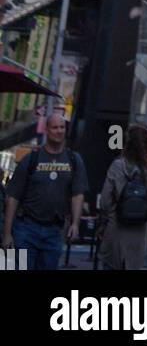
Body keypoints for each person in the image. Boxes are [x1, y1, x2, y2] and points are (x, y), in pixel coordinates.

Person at [2, 112, 88, 269]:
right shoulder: (31, 158)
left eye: (62, 127)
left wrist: (75, 223)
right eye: (55, 127)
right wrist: (7, 234)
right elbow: (13, 197)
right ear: (47, 130)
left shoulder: (74, 160)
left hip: (54, 231)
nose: (59, 131)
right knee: (17, 267)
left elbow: (77, 194)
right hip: (25, 228)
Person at [97, 123, 147, 270]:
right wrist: (146, 220)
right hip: (138, 236)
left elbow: (105, 202)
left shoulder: (117, 166)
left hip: (115, 234)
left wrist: (107, 220)